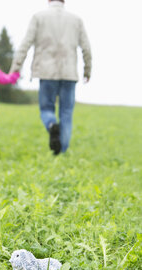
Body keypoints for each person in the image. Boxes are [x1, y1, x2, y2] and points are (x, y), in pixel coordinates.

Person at [10, 0, 92, 155]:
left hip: (46, 72)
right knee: (66, 112)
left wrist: (16, 67)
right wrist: (87, 70)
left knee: (47, 108)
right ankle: (62, 152)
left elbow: (25, 43)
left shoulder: (39, 17)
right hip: (69, 73)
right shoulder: (76, 20)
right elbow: (86, 48)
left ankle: (51, 124)